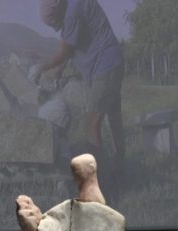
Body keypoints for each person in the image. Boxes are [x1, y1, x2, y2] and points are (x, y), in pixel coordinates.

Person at [31, 0, 125, 199]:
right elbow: (70, 48)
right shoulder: (71, 6)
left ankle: (100, 185)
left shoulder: (73, 11)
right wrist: (57, 73)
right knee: (114, 120)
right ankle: (120, 171)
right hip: (111, 62)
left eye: (54, 22)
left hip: (105, 66)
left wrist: (41, 67)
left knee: (91, 124)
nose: (54, 28)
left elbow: (64, 51)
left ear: (58, 10)